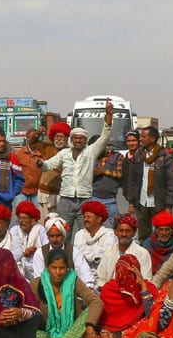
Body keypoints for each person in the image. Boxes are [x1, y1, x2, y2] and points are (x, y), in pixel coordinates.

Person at [38, 102, 113, 240]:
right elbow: (48, 165)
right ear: (71, 140)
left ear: (85, 140)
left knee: (86, 235)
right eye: (76, 138)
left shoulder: (91, 152)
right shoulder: (64, 153)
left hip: (84, 199)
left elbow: (105, 136)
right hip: (66, 199)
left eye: (81, 138)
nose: (78, 140)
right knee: (63, 234)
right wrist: (40, 164)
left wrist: (109, 115)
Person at [31, 248, 103, 338]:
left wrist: (89, 328)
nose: (58, 272)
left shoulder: (73, 280)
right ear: (47, 267)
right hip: (49, 333)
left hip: (72, 331)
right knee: (34, 337)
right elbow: (30, 310)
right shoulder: (36, 284)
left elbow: (96, 302)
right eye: (54, 268)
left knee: (89, 311)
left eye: (62, 268)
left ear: (67, 268)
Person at [96, 255, 156, 338]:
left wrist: (143, 287)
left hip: (134, 331)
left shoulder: (148, 288)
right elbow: (103, 320)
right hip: (111, 332)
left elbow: (151, 315)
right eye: (122, 278)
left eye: (130, 277)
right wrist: (104, 335)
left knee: (143, 333)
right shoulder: (109, 289)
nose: (126, 283)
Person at [124, 123, 173, 241]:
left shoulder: (164, 156)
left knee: (162, 234)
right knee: (143, 235)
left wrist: (169, 205)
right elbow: (132, 181)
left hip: (159, 203)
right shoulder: (139, 155)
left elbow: (172, 183)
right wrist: (131, 202)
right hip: (142, 202)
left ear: (152, 139)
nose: (140, 139)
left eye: (143, 137)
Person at [30, 214, 94, 287]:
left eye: (58, 236)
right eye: (51, 236)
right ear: (47, 236)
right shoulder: (40, 253)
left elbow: (86, 274)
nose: (55, 239)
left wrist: (89, 287)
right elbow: (39, 278)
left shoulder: (74, 252)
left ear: (64, 236)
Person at [95, 214, 152, 287]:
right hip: (110, 292)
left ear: (134, 233)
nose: (124, 234)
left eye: (127, 231)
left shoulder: (143, 254)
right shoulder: (108, 252)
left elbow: (146, 281)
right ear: (115, 232)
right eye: (121, 230)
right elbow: (100, 279)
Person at [72, 200, 117, 280]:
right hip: (82, 277)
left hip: (104, 277)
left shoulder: (109, 235)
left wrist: (86, 257)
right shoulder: (79, 234)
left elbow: (105, 256)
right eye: (84, 217)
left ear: (99, 219)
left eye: (89, 217)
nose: (85, 219)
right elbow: (77, 257)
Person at [36, 122, 68, 217]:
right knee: (45, 223)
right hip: (44, 192)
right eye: (57, 137)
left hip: (61, 194)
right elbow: (33, 143)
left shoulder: (70, 152)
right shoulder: (47, 148)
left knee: (59, 225)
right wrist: (38, 133)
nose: (59, 139)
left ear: (66, 139)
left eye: (62, 137)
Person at [10, 201, 48, 280]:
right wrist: (23, 254)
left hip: (37, 265)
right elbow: (10, 252)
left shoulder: (40, 230)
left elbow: (46, 249)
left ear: (33, 220)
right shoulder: (14, 230)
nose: (21, 221)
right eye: (19, 218)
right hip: (20, 267)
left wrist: (37, 252)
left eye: (24, 218)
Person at [143, 209, 173, 275]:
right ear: (156, 231)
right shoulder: (148, 245)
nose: (164, 233)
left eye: (167, 230)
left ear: (172, 231)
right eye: (161, 230)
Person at [92, 145, 123, 225]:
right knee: (94, 224)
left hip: (110, 199)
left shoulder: (118, 156)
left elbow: (121, 174)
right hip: (94, 196)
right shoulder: (92, 157)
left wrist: (104, 171)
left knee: (116, 224)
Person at [14, 129, 44, 209]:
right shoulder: (19, 153)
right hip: (21, 191)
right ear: (27, 138)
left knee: (37, 217)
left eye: (36, 138)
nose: (34, 140)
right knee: (22, 217)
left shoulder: (42, 153)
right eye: (32, 138)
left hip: (37, 192)